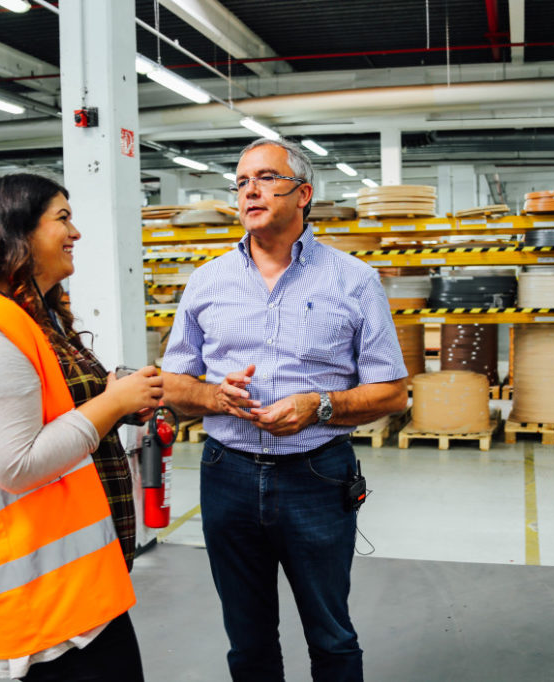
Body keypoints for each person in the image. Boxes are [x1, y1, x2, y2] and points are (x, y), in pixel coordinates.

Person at [161, 138, 408, 681]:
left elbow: (393, 393)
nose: (250, 189)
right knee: (247, 640)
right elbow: (174, 384)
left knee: (331, 634)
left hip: (317, 476)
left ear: (304, 195)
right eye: (242, 180)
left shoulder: (353, 280)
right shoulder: (206, 281)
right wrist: (213, 396)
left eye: (267, 177)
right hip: (227, 474)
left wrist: (318, 406)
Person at [0, 173, 163, 681]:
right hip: (42, 609)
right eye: (63, 219)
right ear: (16, 234)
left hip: (76, 593)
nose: (76, 233)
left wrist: (115, 399)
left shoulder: (36, 318)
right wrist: (111, 404)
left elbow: (58, 409)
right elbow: (18, 463)